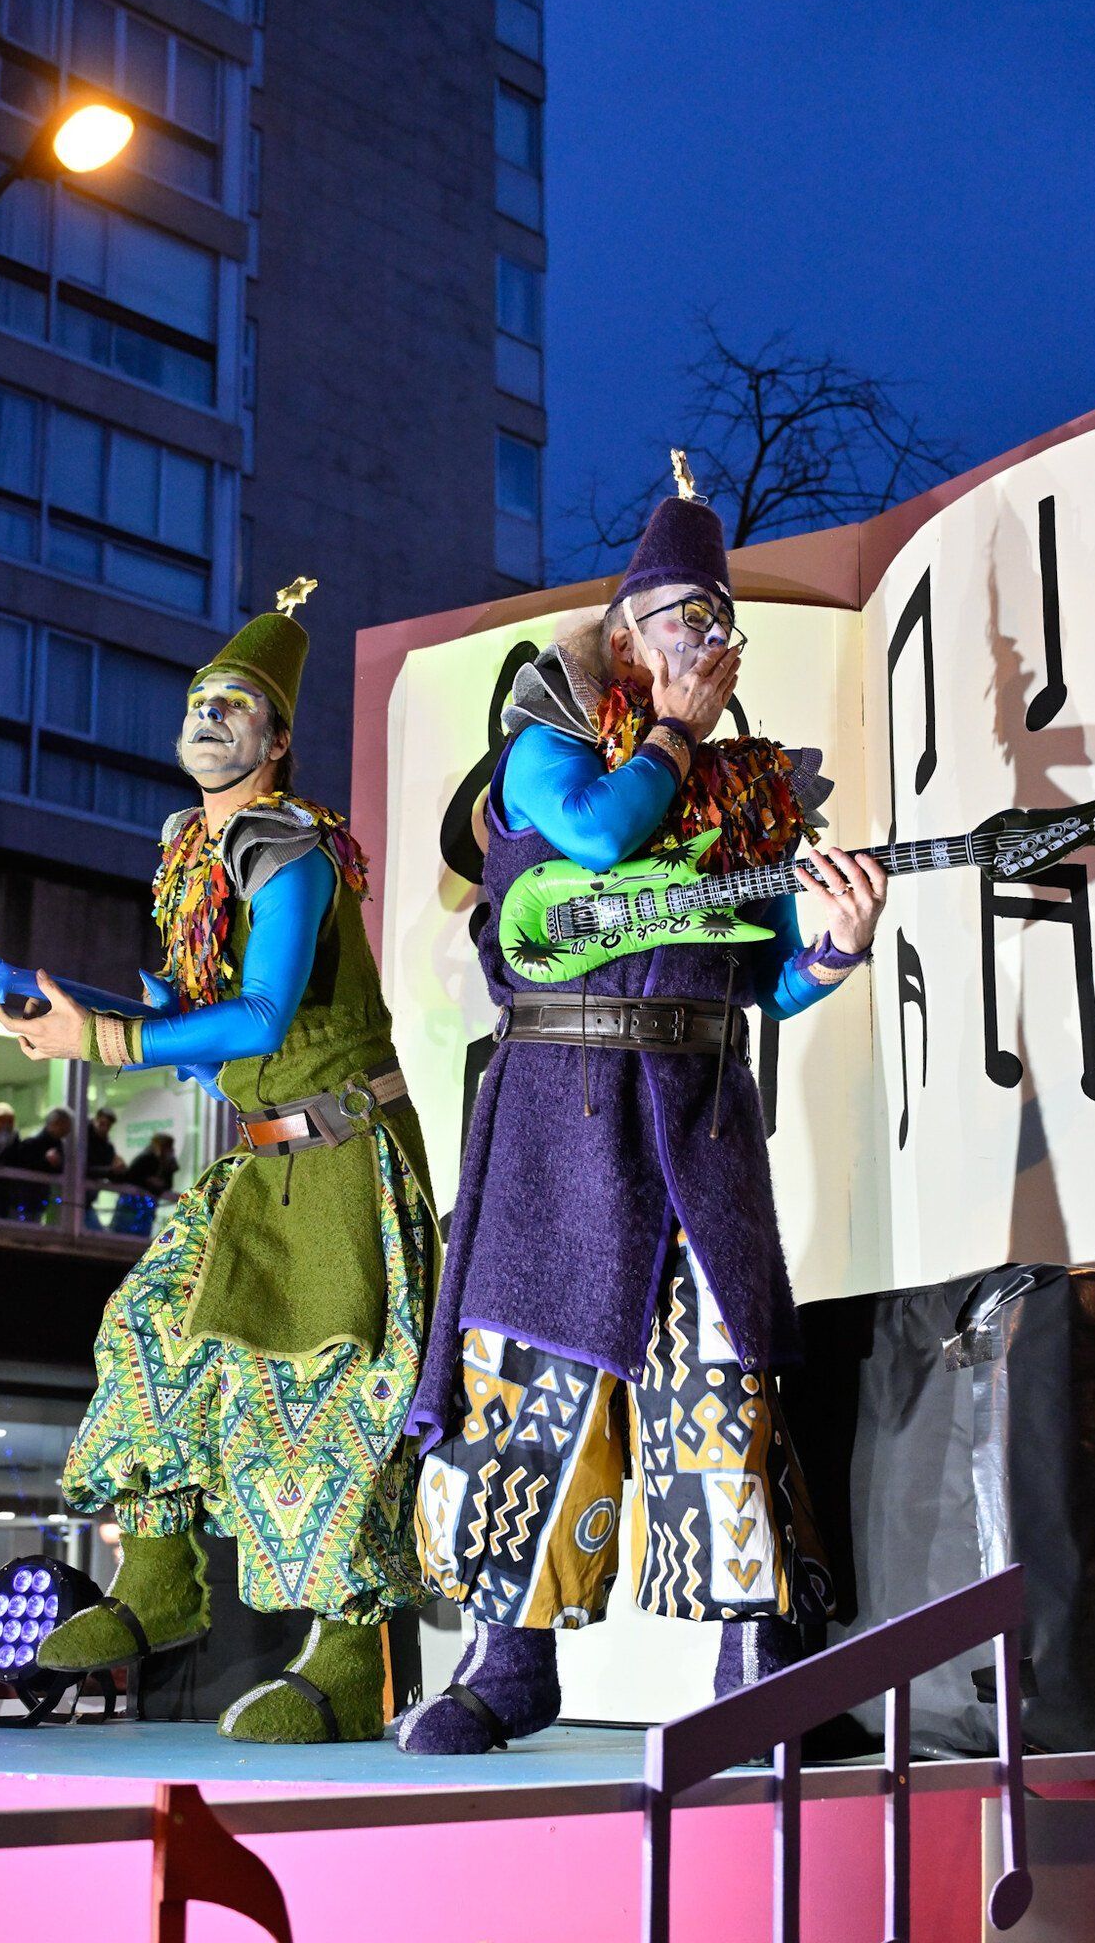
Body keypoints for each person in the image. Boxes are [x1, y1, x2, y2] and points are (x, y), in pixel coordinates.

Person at [399, 458, 887, 1755]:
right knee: (533, 1384)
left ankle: (760, 1673)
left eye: (718, 619)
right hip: (560, 1110)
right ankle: (508, 1665)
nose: (707, 639)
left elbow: (761, 980)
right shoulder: (548, 739)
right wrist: (669, 731)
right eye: (681, 613)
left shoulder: (744, 794)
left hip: (695, 1114)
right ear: (622, 633)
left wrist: (829, 949)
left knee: (724, 1384)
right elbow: (600, 839)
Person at [0, 581, 439, 1745]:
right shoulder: (194, 854)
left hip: (342, 1160)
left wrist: (104, 1038)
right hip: (258, 1157)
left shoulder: (285, 845)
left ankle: (348, 1656)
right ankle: (156, 1584)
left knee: (330, 1397)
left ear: (277, 739)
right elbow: (221, 1052)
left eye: (236, 702)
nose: (209, 716)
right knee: (148, 1333)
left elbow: (255, 1017)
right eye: (199, 698)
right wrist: (90, 1013)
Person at [6, 1108, 73, 1225]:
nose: (68, 1130)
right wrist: (46, 1161)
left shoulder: (57, 1146)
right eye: (65, 1126)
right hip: (23, 1200)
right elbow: (24, 1165)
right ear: (55, 1124)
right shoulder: (32, 1143)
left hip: (35, 1201)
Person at [111, 1132, 180, 1236]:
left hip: (146, 1207)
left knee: (140, 1234)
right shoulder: (146, 1158)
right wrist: (149, 1181)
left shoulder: (166, 1164)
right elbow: (131, 1176)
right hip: (133, 1204)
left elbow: (167, 1185)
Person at [84, 1106, 125, 1229]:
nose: (105, 1128)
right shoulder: (83, 1139)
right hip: (77, 1199)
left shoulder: (107, 1147)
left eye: (108, 1126)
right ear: (96, 1120)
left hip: (85, 1201)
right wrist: (111, 1171)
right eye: (102, 1124)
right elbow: (84, 1169)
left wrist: (118, 1171)